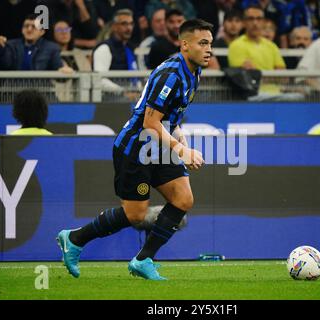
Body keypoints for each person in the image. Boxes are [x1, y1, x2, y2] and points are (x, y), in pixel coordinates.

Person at [56, 19, 213, 281]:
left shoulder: (194, 71)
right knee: (135, 214)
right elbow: (150, 122)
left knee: (183, 199)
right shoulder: (171, 74)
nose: (209, 49)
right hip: (135, 149)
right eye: (203, 43)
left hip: (157, 145)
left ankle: (143, 259)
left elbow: (166, 115)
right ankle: (74, 238)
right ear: (185, 45)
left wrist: (177, 132)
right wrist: (181, 150)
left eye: (211, 43)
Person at [0, 14, 70, 72]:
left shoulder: (52, 48)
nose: (29, 29)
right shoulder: (11, 45)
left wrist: (63, 70)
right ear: (22, 30)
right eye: (26, 26)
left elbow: (59, 70)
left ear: (42, 32)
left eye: (34, 27)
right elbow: (4, 65)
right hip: (14, 90)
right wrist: (0, 48)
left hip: (41, 91)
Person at [92, 9, 138, 93]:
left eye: (131, 24)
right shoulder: (104, 48)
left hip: (131, 101)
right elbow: (99, 80)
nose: (129, 28)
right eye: (124, 24)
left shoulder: (130, 48)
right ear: (114, 26)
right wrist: (123, 92)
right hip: (109, 102)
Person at [228, 5, 285, 71]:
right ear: (244, 22)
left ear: (263, 22)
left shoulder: (272, 45)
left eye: (259, 19)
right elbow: (242, 76)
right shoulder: (236, 45)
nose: (255, 23)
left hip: (273, 81)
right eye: (251, 19)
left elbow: (282, 74)